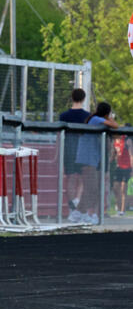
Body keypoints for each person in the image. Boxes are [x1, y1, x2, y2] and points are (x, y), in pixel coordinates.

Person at [75, 101, 119, 224]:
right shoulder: (95, 119)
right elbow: (115, 125)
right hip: (87, 158)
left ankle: (80, 213)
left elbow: (115, 133)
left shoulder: (96, 119)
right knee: (92, 188)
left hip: (94, 158)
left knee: (93, 189)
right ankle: (81, 213)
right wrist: (109, 118)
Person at [59, 88, 90, 223]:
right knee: (82, 179)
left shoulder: (64, 115)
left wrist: (57, 152)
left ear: (72, 98)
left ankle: (74, 206)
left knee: (71, 178)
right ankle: (75, 205)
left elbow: (58, 136)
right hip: (82, 149)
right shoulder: (87, 116)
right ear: (83, 99)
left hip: (69, 148)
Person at [111, 129, 132, 216]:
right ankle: (118, 207)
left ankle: (122, 211)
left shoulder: (127, 141)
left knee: (124, 189)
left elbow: (131, 155)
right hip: (118, 167)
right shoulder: (115, 141)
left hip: (127, 167)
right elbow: (114, 154)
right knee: (115, 188)